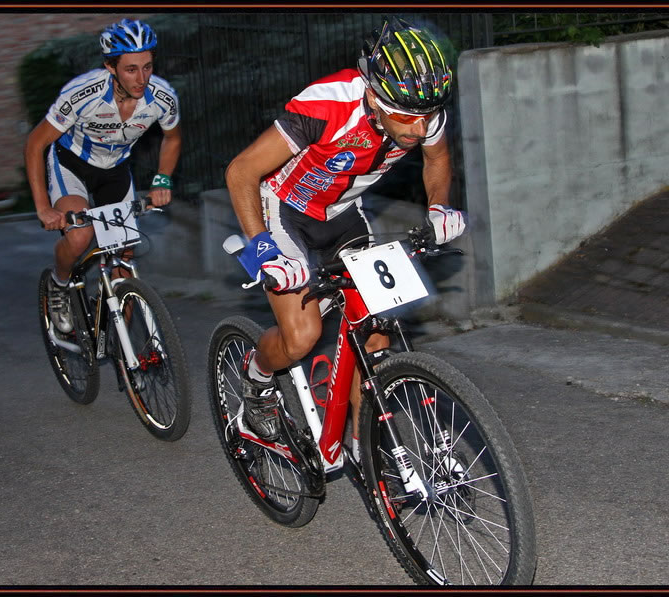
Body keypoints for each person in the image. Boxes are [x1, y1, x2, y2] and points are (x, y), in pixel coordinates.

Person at [225, 16, 466, 454]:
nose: (417, 128)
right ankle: (257, 381)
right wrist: (264, 250)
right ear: (373, 94)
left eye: (426, 116)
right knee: (301, 337)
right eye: (405, 117)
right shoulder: (328, 104)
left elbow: (437, 160)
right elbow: (241, 171)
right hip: (285, 211)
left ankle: (365, 443)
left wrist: (438, 208)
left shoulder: (423, 110)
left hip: (343, 214)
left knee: (376, 332)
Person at [25, 18, 182, 334]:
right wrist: (44, 208)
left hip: (115, 170)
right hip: (72, 165)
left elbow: (173, 138)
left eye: (147, 67)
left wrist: (163, 178)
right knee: (81, 235)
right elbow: (35, 144)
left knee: (124, 254)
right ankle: (59, 284)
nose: (141, 79)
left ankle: (118, 341)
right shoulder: (83, 94)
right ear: (111, 67)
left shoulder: (162, 97)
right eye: (131, 69)